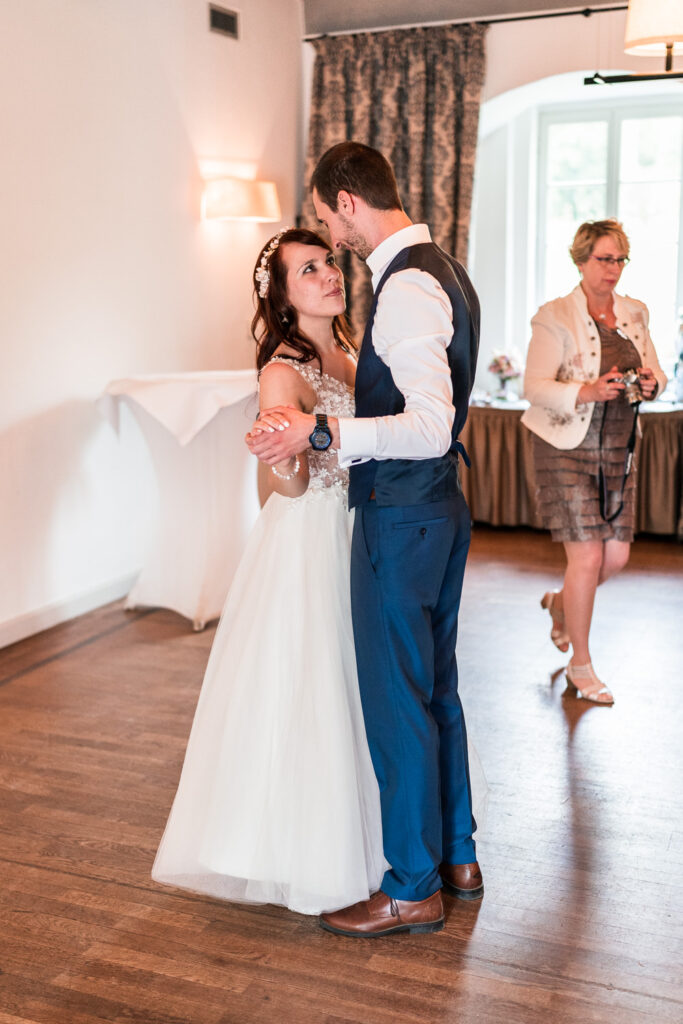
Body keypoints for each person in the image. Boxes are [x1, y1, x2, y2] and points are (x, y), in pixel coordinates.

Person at [247, 141, 482, 937]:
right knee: (434, 691)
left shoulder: (409, 282)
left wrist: (319, 433)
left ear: (347, 203)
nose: (328, 240)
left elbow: (427, 424)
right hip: (435, 512)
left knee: (397, 703)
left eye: (324, 217)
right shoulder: (441, 267)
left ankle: (412, 886)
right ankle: (456, 856)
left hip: (403, 519)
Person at [152, 227, 388, 915]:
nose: (328, 275)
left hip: (358, 529)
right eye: (308, 270)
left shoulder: (346, 351)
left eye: (328, 263)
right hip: (312, 537)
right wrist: (278, 451)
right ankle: (315, 852)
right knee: (314, 683)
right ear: (283, 298)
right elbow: (284, 486)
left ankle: (375, 834)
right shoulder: (282, 370)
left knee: (356, 681)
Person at [522, 219, 666, 704]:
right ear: (581, 260)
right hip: (564, 447)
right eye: (605, 259)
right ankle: (580, 668)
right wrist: (587, 390)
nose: (614, 269)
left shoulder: (635, 312)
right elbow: (534, 387)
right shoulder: (554, 315)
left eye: (621, 259)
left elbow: (657, 371)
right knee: (586, 556)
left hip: (620, 448)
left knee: (617, 557)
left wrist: (651, 384)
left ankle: (563, 605)